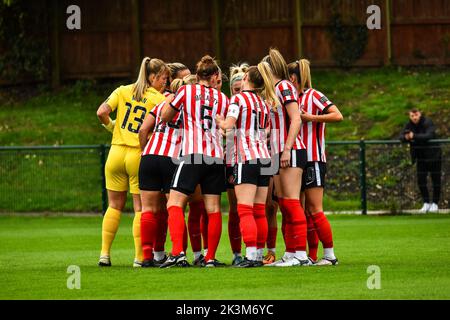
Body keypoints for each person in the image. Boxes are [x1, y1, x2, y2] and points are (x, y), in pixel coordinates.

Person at [96, 57, 168, 267]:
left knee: (114, 205)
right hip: (138, 154)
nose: (165, 82)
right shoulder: (158, 98)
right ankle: (138, 258)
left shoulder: (123, 90)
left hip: (116, 153)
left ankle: (104, 254)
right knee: (140, 207)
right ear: (153, 77)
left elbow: (102, 112)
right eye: (163, 78)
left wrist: (111, 127)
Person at [160, 55, 229, 268]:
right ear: (216, 76)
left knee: (174, 203)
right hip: (216, 156)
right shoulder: (223, 98)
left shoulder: (186, 91)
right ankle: (209, 258)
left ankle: (177, 253)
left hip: (192, 153)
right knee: (214, 208)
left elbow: (165, 116)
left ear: (196, 75)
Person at [216, 62, 274, 267]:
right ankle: (258, 254)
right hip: (264, 158)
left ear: (247, 79)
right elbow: (267, 130)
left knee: (245, 209)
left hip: (245, 158)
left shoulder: (238, 99)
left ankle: (250, 256)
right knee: (259, 209)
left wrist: (219, 120)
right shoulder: (264, 103)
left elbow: (228, 126)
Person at [288, 58, 343, 266]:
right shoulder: (291, 98)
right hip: (297, 160)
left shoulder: (314, 95)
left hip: (313, 159)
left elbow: (338, 115)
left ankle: (330, 255)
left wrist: (312, 117)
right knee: (300, 210)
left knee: (315, 208)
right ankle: (308, 255)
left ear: (293, 78)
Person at [262, 48, 311, 267]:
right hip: (277, 152)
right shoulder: (274, 90)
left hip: (290, 151)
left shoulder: (284, 86)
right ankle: (291, 253)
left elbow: (296, 119)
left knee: (292, 203)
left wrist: (287, 149)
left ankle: (300, 254)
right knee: (284, 204)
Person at [224, 63, 250, 265]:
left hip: (252, 158)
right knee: (235, 208)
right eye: (235, 89)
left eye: (242, 88)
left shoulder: (253, 103)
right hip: (231, 160)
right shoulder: (227, 105)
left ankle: (261, 251)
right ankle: (236, 254)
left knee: (260, 207)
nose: (239, 91)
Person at [400, 109, 442, 213]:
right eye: (412, 116)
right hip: (420, 157)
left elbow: (429, 135)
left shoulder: (427, 122)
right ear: (409, 116)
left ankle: (435, 203)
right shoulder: (408, 125)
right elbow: (401, 137)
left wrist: (414, 136)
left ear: (420, 114)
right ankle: (426, 203)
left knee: (435, 180)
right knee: (421, 180)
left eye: (416, 115)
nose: (414, 118)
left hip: (433, 156)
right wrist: (406, 137)